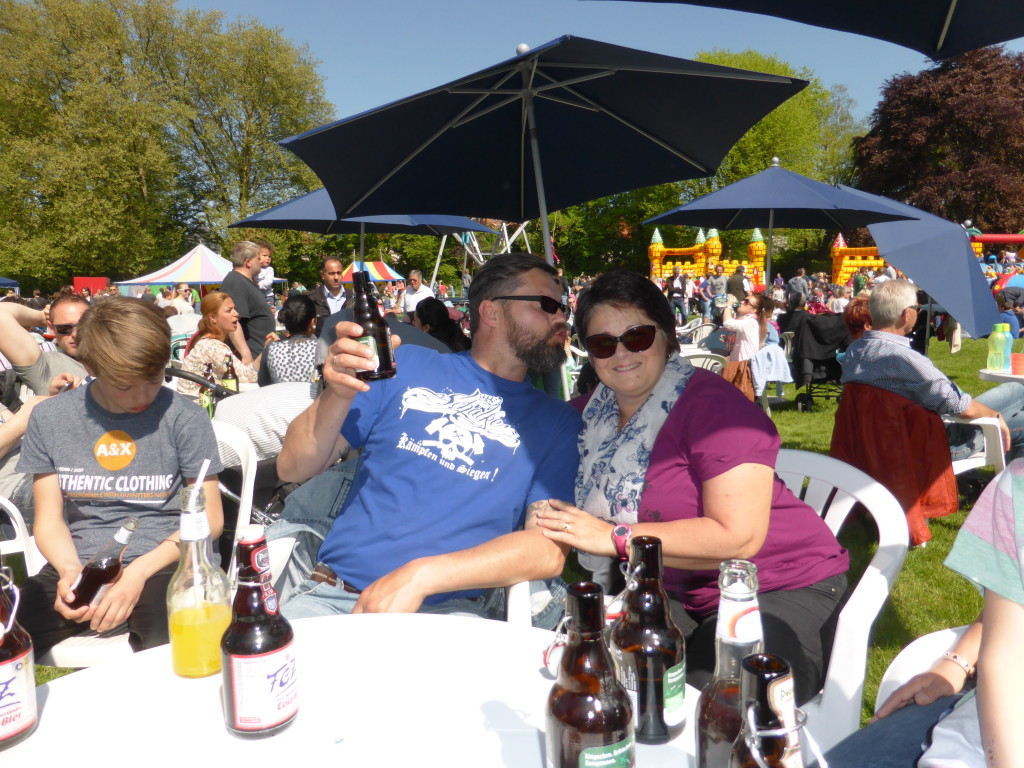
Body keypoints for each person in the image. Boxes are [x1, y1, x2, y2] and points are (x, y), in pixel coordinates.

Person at [535, 270, 848, 704]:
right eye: (603, 343)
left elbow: (738, 536)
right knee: (589, 681)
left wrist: (611, 537)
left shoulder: (715, 410)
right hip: (680, 593)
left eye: (637, 336)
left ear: (665, 335)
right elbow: (521, 432)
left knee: (721, 702)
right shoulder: (592, 416)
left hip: (777, 583)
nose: (621, 353)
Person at [277, 252, 581, 619]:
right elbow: (292, 467)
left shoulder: (559, 421)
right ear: (492, 312)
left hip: (451, 612)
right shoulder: (404, 365)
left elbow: (546, 550)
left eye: (562, 306)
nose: (562, 317)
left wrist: (421, 576)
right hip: (336, 598)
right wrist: (337, 393)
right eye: (547, 304)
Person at [15, 297, 224, 656]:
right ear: (91, 365)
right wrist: (69, 572)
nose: (143, 396)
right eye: (125, 385)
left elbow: (211, 518)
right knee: (9, 631)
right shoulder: (51, 419)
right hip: (80, 561)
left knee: (174, 646)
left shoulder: (185, 418)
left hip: (168, 563)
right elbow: (48, 521)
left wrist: (136, 574)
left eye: (155, 379)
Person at [842, 279, 1024, 464]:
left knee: (1016, 389)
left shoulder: (854, 353)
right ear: (907, 314)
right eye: (917, 308)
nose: (918, 312)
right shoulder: (904, 359)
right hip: (929, 443)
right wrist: (996, 416)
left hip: (879, 441)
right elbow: (959, 406)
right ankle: (1009, 489)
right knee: (1020, 407)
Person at [0, 294, 88, 395]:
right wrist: (42, 317)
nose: (75, 334)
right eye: (64, 328)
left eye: (83, 326)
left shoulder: (109, 355)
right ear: (51, 328)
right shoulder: (47, 366)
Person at [178, 292, 258, 396]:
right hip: (199, 404)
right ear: (213, 318)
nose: (236, 314)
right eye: (229, 310)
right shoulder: (213, 346)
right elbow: (249, 377)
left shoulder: (205, 341)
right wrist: (268, 350)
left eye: (235, 309)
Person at [221, 240, 276, 362]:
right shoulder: (235, 282)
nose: (261, 261)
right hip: (252, 357)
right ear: (248, 262)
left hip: (260, 355)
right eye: (258, 258)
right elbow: (233, 322)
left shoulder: (245, 281)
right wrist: (246, 355)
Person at [720, 292, 773, 401]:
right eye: (744, 299)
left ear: (753, 310)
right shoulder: (747, 320)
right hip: (740, 364)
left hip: (743, 367)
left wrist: (728, 305)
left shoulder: (749, 321)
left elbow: (728, 323)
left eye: (747, 302)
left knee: (739, 398)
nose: (742, 302)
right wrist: (729, 340)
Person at [260, 294, 318, 385]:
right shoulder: (322, 349)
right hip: (312, 398)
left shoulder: (272, 348)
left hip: (279, 398)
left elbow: (262, 382)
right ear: (312, 321)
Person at [305, 257, 351, 337]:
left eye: (339, 273)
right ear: (322, 275)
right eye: (332, 273)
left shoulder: (353, 297)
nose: (336, 277)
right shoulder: (311, 299)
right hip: (321, 346)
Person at [255, 241, 276, 308]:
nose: (268, 258)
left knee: (268, 312)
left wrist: (258, 285)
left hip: (267, 296)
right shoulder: (254, 268)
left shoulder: (269, 269)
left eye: (269, 256)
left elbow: (268, 281)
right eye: (264, 255)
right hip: (255, 296)